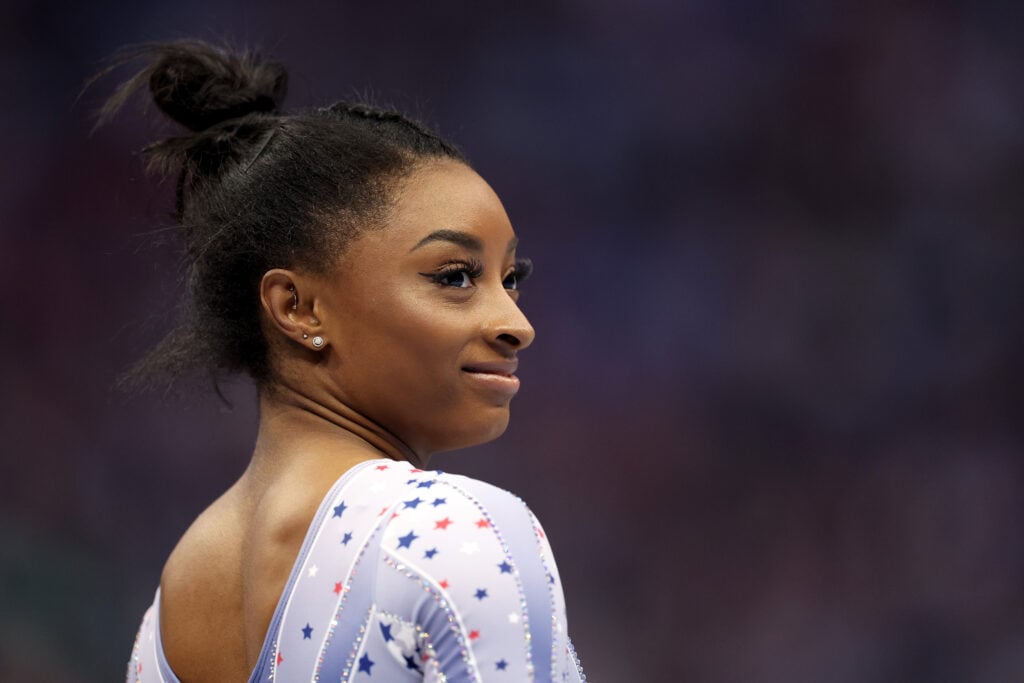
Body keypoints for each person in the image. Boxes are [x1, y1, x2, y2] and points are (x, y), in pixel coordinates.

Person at [99, 40, 585, 682]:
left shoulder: (171, 602)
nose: (515, 325)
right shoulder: (451, 534)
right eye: (455, 276)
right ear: (297, 307)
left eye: (510, 276)